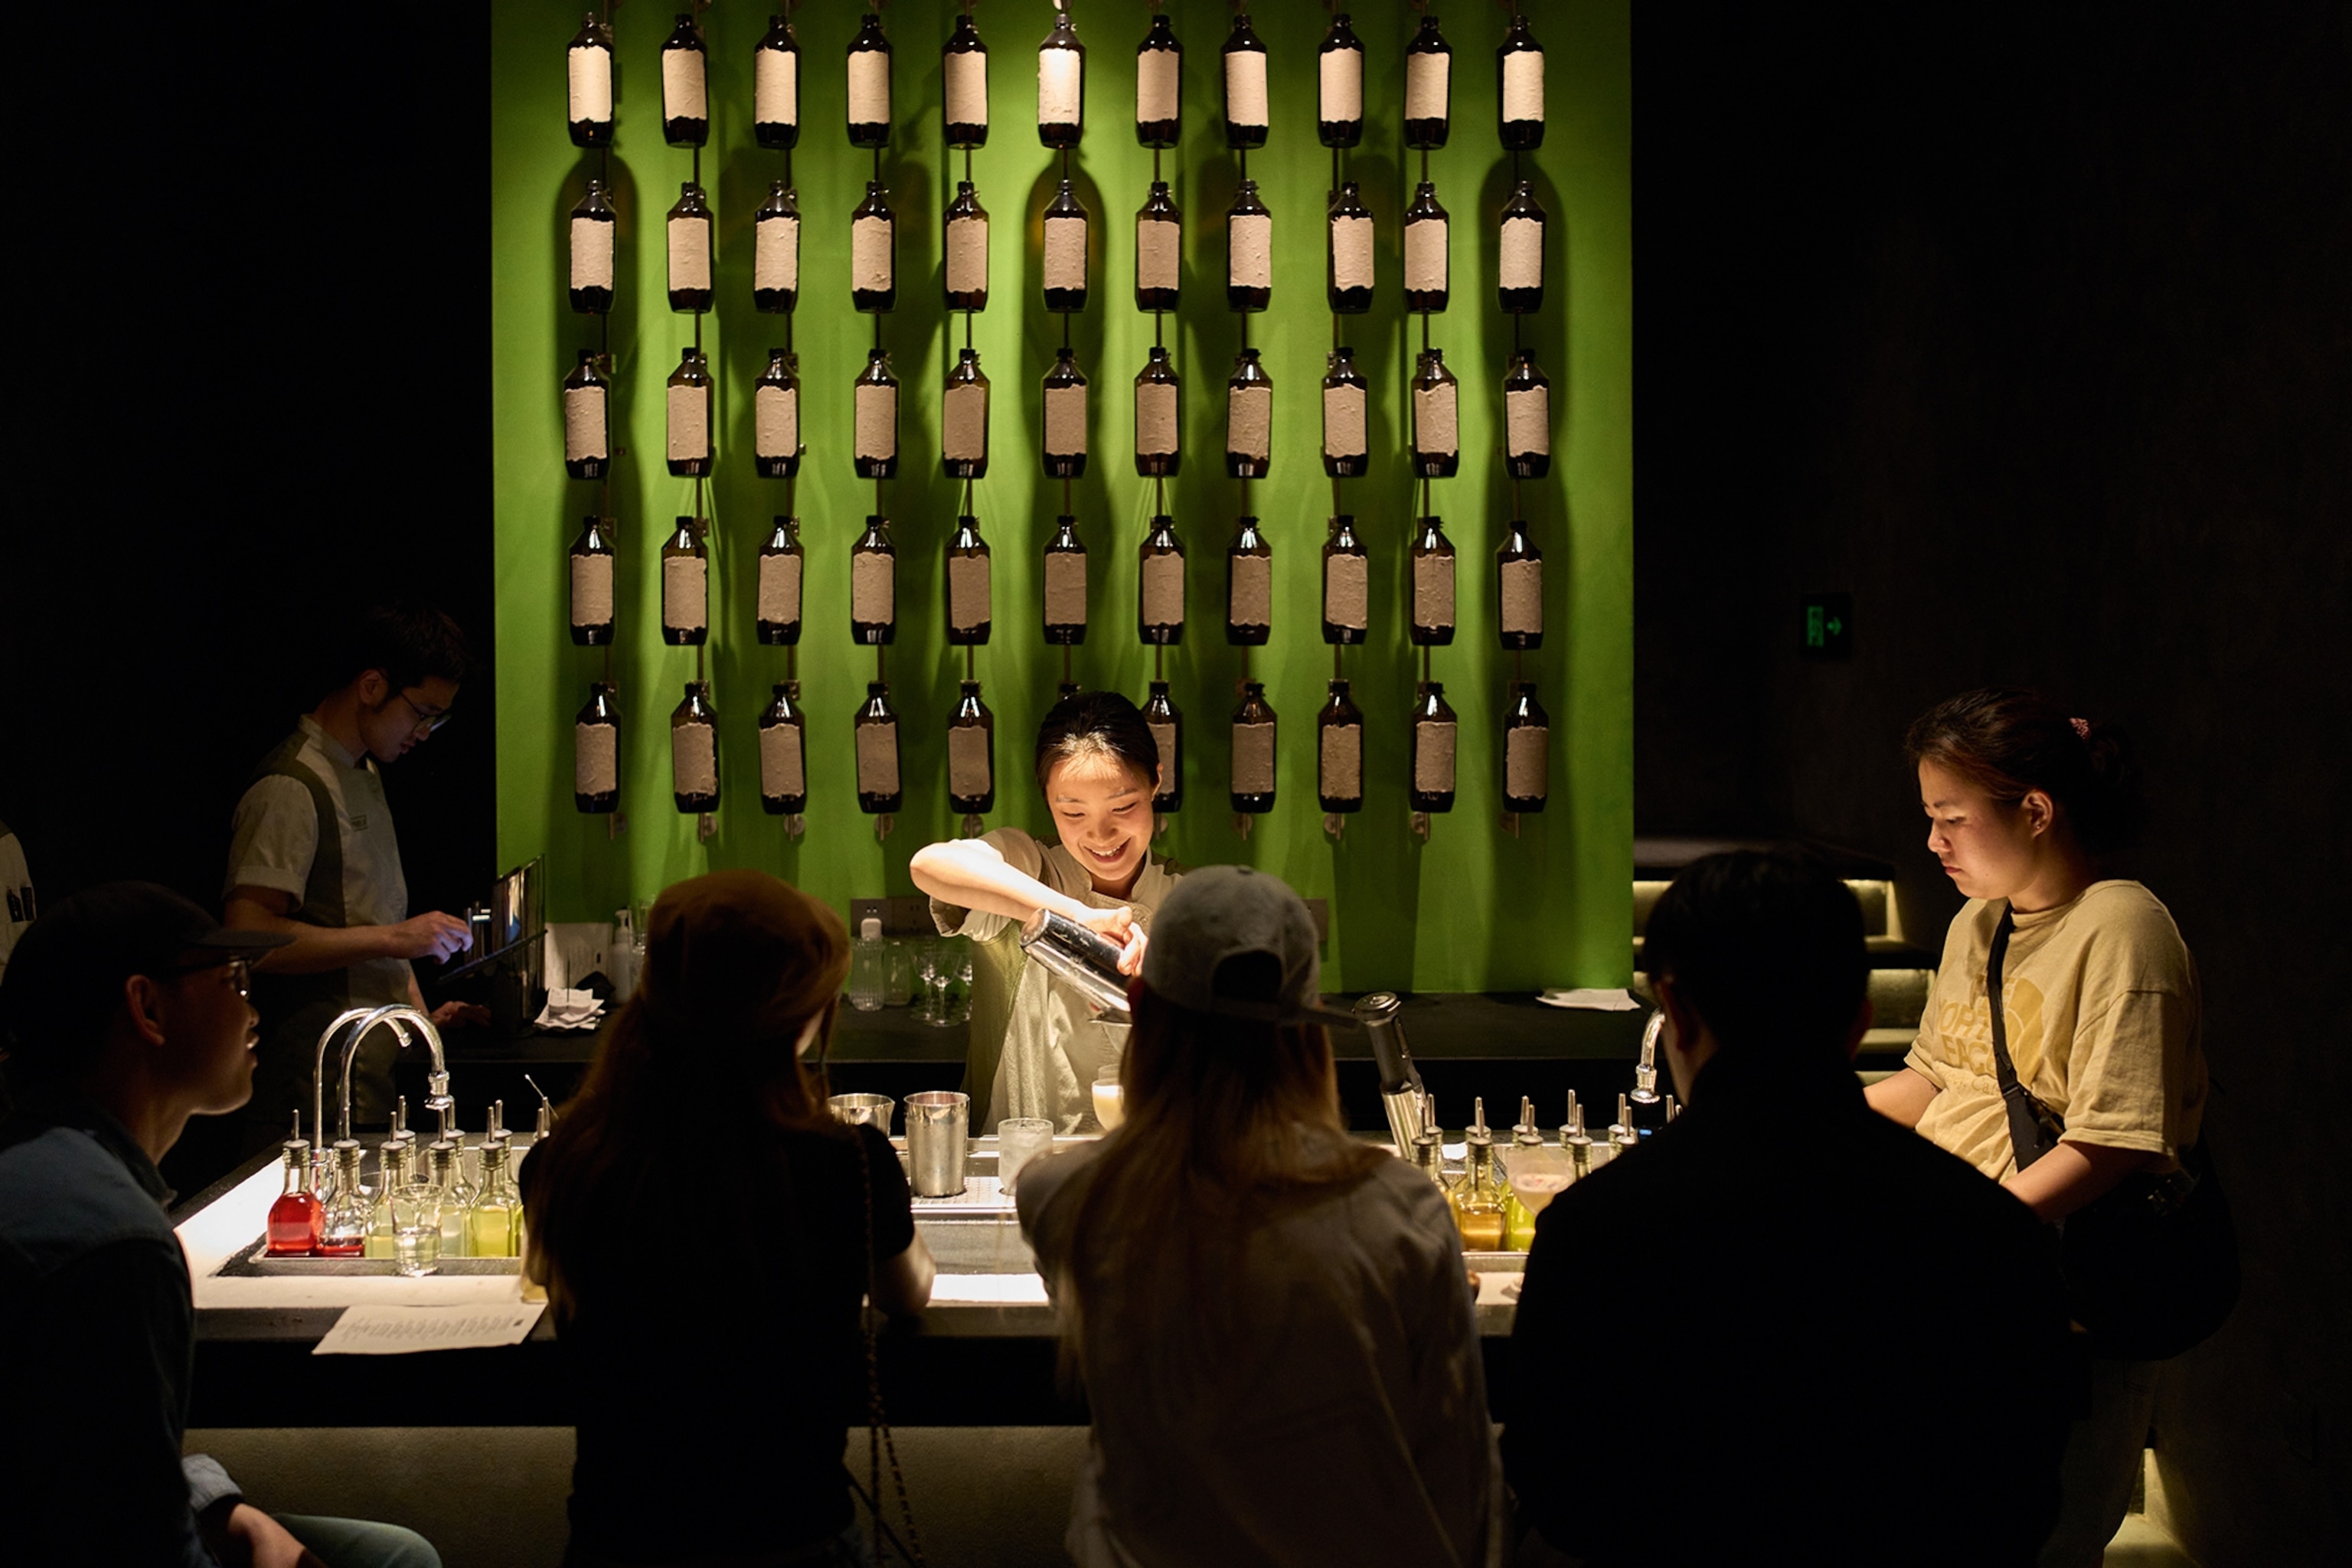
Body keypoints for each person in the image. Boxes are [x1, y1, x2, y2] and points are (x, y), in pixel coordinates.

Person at [1505, 849, 2073, 1567]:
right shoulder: (1985, 1229)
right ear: (1860, 1020)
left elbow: (1557, 1484)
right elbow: (2021, 1496)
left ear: (1676, 1010)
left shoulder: (1596, 1227)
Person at [1018, 864, 1494, 1568]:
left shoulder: (1061, 1195)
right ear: (1308, 1033)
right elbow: (1459, 1478)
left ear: (1141, 1012)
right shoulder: (1404, 1207)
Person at [0, 881, 440, 1568]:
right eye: (232, 982)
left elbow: (112, 1460)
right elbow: (128, 1541)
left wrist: (221, 1509)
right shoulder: (115, 1247)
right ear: (147, 1007)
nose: (251, 1009)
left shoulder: (51, 1168)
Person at [1867, 688, 2208, 1567]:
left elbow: (2116, 1138)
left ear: (2038, 810)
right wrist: (1797, 1115)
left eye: (1950, 817)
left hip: (2067, 1295)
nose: (1934, 840)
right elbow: (1935, 1076)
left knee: (2044, 1536)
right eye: (1928, 817)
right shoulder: (1979, 921)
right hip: (1971, 1286)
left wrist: (1972, 1231)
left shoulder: (2123, 925)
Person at [521, 869, 934, 1568]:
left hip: (617, 1543)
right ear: (802, 1015)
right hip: (796, 1539)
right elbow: (907, 1294)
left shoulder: (567, 1160)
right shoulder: (847, 1163)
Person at [220, 602, 488, 1144]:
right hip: (310, 1097)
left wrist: (422, 1021)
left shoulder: (362, 769)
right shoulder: (290, 786)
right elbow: (248, 939)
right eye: (422, 712)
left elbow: (370, 916)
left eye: (440, 717)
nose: (427, 732)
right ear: (371, 686)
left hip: (369, 1076)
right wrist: (397, 937)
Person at [911, 691, 1185, 1132]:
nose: (1101, 834)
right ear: (1048, 801)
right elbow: (929, 867)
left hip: (1150, 1167)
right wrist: (1074, 915)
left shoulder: (1188, 898)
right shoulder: (1028, 868)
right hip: (1022, 1168)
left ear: (1156, 781)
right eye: (1072, 811)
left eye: (1124, 806)